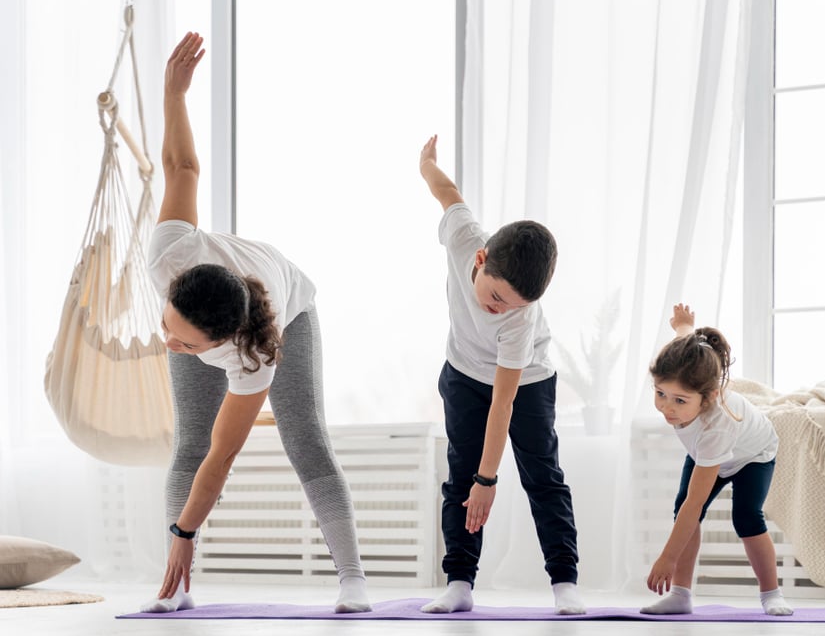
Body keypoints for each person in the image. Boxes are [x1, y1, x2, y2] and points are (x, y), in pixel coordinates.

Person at [139, 32, 371, 614]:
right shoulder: (172, 253)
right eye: (168, 326)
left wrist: (186, 533)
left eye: (184, 344)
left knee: (304, 439)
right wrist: (174, 94)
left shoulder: (255, 353)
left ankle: (353, 580)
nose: (167, 343)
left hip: (288, 312)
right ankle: (177, 591)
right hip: (216, 307)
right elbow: (182, 166)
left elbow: (223, 457)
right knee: (185, 442)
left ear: (221, 344)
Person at [417, 135, 585, 615]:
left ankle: (565, 583)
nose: (500, 310)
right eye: (495, 298)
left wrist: (489, 480)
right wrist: (426, 164)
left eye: (512, 305)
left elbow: (503, 401)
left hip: (524, 382)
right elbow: (446, 193)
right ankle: (459, 584)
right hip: (463, 373)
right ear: (480, 260)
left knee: (543, 477)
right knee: (459, 476)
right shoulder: (464, 237)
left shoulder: (520, 319)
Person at [642, 303, 793, 616]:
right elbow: (686, 341)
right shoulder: (684, 360)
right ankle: (681, 596)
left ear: (708, 396)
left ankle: (772, 594)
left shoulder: (716, 423)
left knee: (746, 517)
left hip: (753, 454)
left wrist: (667, 557)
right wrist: (683, 324)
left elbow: (695, 504)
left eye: (679, 400)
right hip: (706, 454)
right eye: (660, 394)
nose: (667, 408)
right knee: (682, 509)